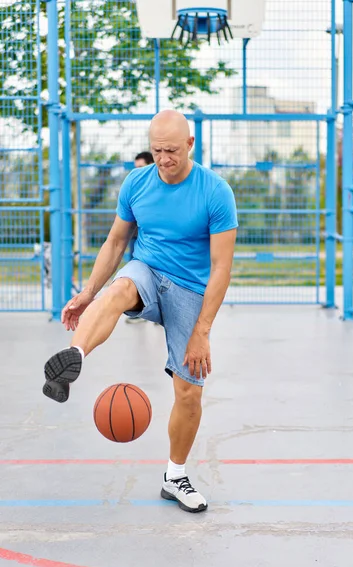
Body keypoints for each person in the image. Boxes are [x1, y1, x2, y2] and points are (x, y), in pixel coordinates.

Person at [42, 110, 238, 514]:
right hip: (147, 269)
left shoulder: (215, 192)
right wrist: (85, 293)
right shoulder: (137, 183)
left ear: (189, 145)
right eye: (157, 150)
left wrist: (202, 330)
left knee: (189, 391)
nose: (164, 159)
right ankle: (72, 359)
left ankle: (175, 476)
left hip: (191, 290)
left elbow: (221, 267)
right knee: (118, 290)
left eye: (171, 151)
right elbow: (115, 244)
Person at [126, 151, 155, 324]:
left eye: (141, 167)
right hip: (135, 238)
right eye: (135, 167)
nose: (137, 171)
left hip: (154, 241)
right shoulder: (133, 186)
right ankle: (140, 312)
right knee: (135, 276)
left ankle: (160, 314)